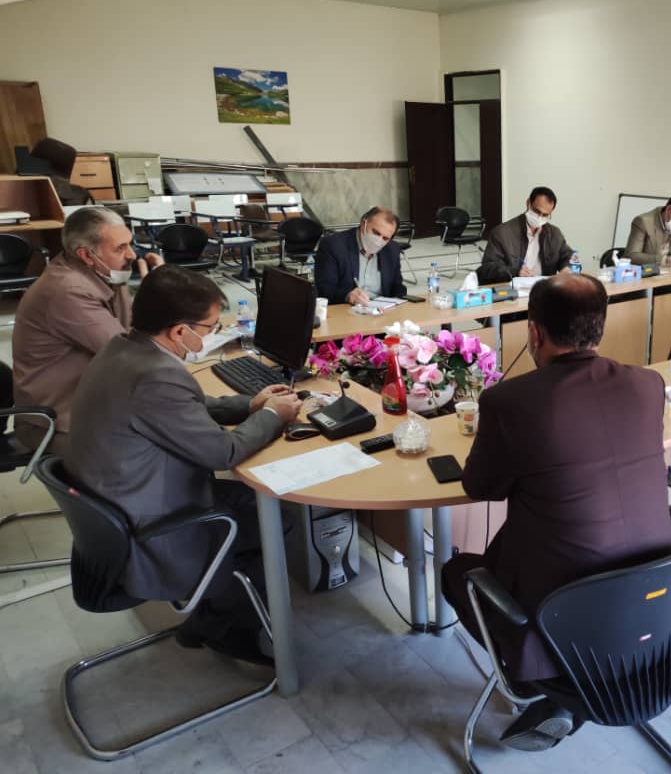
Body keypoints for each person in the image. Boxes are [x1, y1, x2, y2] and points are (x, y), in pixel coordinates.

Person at [441, 273, 671, 750]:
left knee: (458, 572)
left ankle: (540, 683)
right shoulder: (647, 384)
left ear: (534, 332)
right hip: (658, 605)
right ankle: (564, 686)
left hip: (567, 616)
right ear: (600, 327)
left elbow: (481, 487)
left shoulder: (509, 401)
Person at [67, 265, 302, 665]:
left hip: (123, 499)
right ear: (179, 331)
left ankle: (216, 608)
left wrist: (251, 404)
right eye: (210, 327)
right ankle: (224, 626)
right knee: (275, 518)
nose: (212, 335)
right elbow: (223, 453)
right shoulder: (156, 376)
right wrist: (273, 416)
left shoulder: (124, 349)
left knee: (252, 502)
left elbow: (187, 406)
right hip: (154, 522)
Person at [12, 206, 163, 458]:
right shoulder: (67, 290)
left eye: (130, 244)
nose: (131, 254)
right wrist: (157, 295)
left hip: (94, 401)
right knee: (161, 448)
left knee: (178, 416)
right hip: (57, 423)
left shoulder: (106, 273)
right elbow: (129, 354)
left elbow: (132, 329)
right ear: (86, 255)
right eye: (120, 248)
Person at [476, 187, 573, 284]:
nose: (539, 217)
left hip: (544, 288)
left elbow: (569, 257)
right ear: (528, 203)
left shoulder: (554, 234)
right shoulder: (502, 233)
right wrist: (515, 271)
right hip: (513, 287)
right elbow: (487, 270)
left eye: (545, 215)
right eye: (537, 211)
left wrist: (567, 268)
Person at [313, 206, 406, 305]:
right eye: (376, 232)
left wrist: (400, 297)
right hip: (346, 308)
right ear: (363, 223)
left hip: (382, 309)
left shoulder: (392, 249)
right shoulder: (333, 245)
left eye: (385, 238)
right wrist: (347, 296)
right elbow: (324, 290)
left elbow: (397, 286)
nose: (378, 240)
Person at [625, 193, 671, 267]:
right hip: (647, 271)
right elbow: (631, 256)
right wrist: (664, 260)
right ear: (669, 210)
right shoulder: (643, 222)